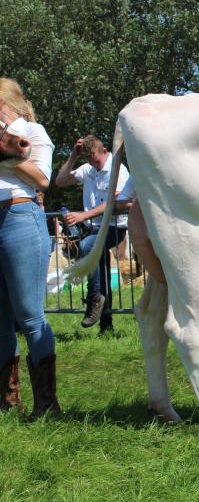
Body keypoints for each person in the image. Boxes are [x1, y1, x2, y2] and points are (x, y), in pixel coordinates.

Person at [0, 77, 60, 418]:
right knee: (0, 319)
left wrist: (8, 156)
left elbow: (42, 180)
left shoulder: (34, 133)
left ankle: (46, 404)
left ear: (5, 105)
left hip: (21, 216)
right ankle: (8, 402)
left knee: (29, 315)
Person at [55, 135, 129, 333]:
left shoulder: (117, 168)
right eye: (89, 161)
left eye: (96, 160)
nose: (93, 165)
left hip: (115, 227)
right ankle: (106, 325)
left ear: (104, 150)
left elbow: (115, 200)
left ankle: (94, 297)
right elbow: (60, 181)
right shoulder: (87, 168)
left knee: (88, 247)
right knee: (102, 272)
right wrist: (73, 155)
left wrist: (83, 215)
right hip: (95, 228)